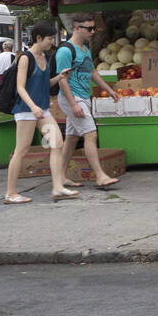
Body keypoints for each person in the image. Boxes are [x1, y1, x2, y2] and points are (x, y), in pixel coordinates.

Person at [4, 20, 76, 204]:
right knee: (21, 150)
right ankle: (11, 193)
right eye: (49, 39)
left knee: (56, 143)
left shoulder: (45, 57)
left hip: (42, 110)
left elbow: (44, 85)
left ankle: (58, 187)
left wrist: (59, 77)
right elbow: (20, 87)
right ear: (38, 38)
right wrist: (33, 107)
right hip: (26, 111)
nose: (52, 42)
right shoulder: (25, 58)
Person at [57, 13, 122, 188]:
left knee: (71, 139)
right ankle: (100, 176)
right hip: (73, 98)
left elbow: (92, 72)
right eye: (89, 28)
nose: (93, 31)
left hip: (82, 98)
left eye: (94, 28)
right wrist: (73, 104)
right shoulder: (65, 51)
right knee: (91, 134)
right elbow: (62, 80)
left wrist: (108, 89)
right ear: (76, 28)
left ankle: (60, 176)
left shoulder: (85, 49)